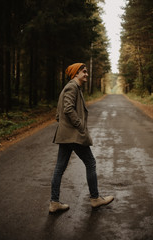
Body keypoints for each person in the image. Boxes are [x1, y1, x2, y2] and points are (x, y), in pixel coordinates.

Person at [49, 63, 114, 214]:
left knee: (59, 168)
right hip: (73, 135)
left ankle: (54, 202)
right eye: (83, 72)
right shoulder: (72, 87)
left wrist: (66, 125)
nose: (86, 74)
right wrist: (79, 126)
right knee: (90, 162)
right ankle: (95, 198)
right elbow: (68, 108)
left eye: (86, 72)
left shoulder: (71, 87)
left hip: (66, 134)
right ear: (75, 74)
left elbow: (59, 114)